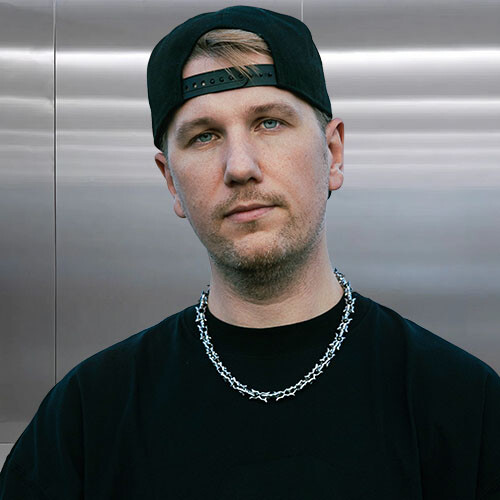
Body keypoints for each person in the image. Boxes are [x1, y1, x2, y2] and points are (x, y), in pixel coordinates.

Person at [1, 5, 499, 499]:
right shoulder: (87, 417)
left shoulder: (462, 404)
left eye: (270, 123)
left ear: (333, 154)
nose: (239, 167)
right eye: (204, 136)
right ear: (171, 182)